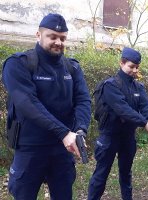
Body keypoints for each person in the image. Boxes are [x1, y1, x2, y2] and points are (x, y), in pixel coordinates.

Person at [2, 13, 91, 199]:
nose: (58, 42)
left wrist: (80, 130)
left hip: (62, 149)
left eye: (62, 38)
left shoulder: (72, 67)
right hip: (30, 148)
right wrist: (64, 133)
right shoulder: (18, 64)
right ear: (38, 35)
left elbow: (83, 100)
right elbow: (27, 103)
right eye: (53, 36)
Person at [88, 47, 148, 200]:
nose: (134, 70)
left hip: (128, 137)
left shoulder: (138, 87)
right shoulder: (110, 85)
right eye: (131, 66)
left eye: (137, 67)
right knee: (101, 175)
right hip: (109, 137)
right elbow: (123, 109)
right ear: (121, 63)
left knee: (126, 174)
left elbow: (146, 106)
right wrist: (144, 123)